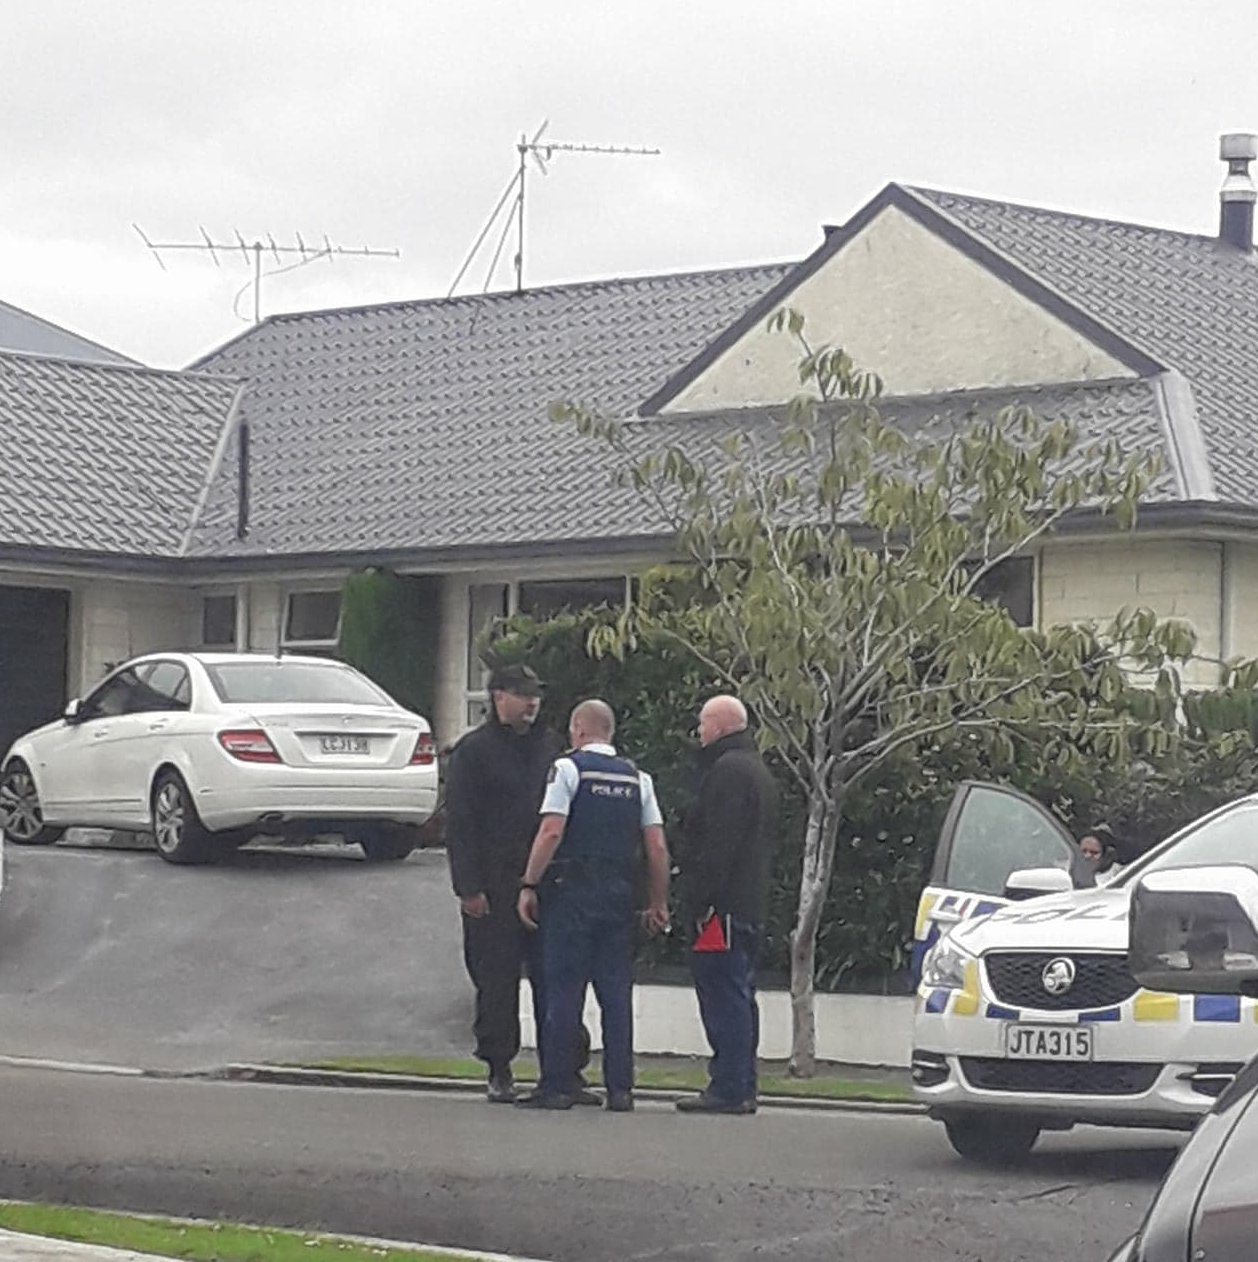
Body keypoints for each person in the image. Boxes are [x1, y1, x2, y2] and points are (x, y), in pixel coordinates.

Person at [444, 663, 593, 1105]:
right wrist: (468, 887)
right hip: (493, 883)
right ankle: (499, 1066)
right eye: (522, 694)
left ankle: (564, 1068)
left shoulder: (550, 748)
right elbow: (461, 825)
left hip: (547, 882)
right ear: (498, 697)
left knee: (557, 977)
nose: (532, 703)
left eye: (536, 696)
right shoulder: (473, 752)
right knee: (496, 980)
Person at [515, 699, 671, 1112]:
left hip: (571, 893)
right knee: (615, 994)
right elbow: (655, 845)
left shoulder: (567, 770)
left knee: (564, 990)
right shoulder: (639, 779)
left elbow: (551, 831)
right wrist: (658, 901)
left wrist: (529, 882)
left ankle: (558, 1085)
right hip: (619, 896)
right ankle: (621, 1089)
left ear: (578, 730)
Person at [677, 694, 778, 1116]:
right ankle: (741, 1083)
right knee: (740, 992)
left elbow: (720, 842)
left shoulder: (727, 772)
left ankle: (729, 1086)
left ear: (719, 726)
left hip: (723, 909)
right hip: (749, 902)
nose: (699, 732)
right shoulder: (757, 770)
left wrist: (701, 900)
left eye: (702, 724)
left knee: (722, 994)